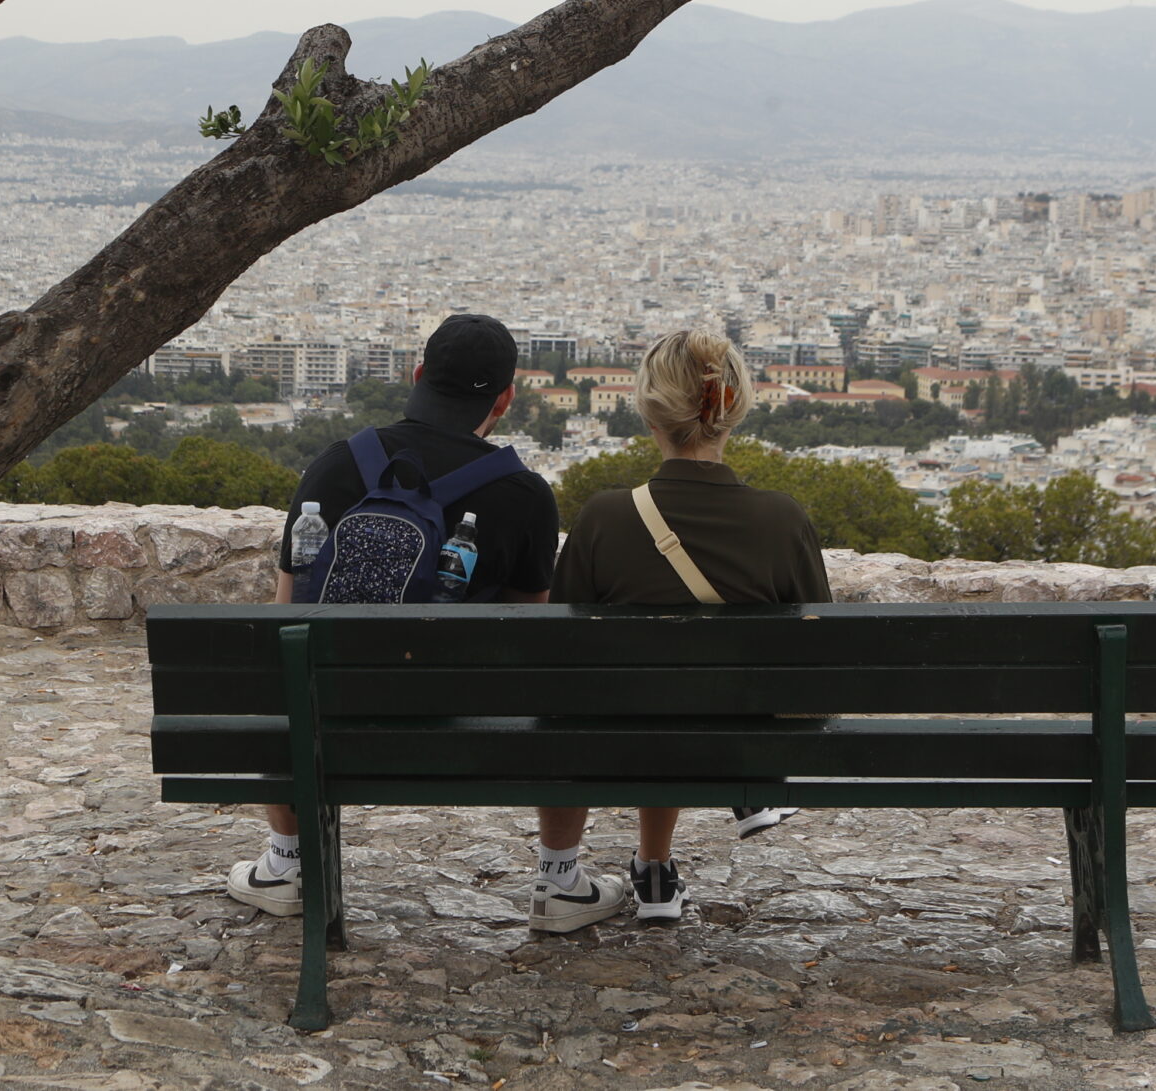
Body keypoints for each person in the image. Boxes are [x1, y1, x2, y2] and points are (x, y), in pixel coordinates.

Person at [225, 313, 561, 917]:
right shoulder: (525, 495)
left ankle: (285, 862)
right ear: (506, 398)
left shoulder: (334, 465)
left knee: (282, 678)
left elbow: (287, 613)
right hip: (464, 732)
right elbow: (527, 637)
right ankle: (560, 873)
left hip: (332, 717)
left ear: (417, 375)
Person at [539, 328, 832, 928]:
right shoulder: (783, 521)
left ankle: (647, 865)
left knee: (651, 695)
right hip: (736, 750)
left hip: (618, 745)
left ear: (650, 413)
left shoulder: (604, 518)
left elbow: (556, 660)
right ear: (736, 409)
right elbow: (820, 664)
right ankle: (657, 861)